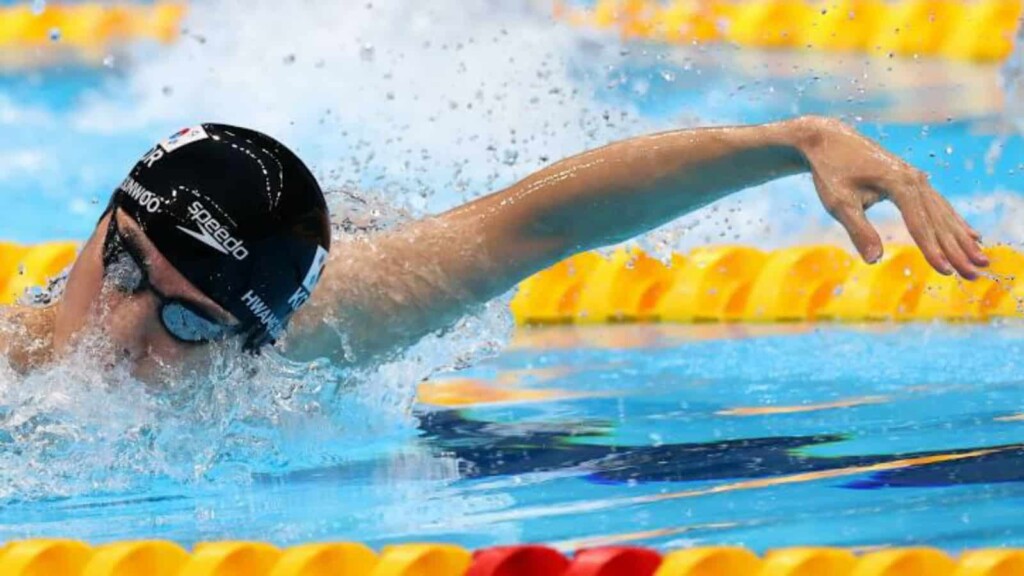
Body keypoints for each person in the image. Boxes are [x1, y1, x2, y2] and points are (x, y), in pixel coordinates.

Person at [0, 116, 988, 379]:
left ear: (259, 336)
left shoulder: (327, 327)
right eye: (122, 265)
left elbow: (542, 220)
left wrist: (795, 142)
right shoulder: (21, 354)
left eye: (184, 321)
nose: (115, 329)